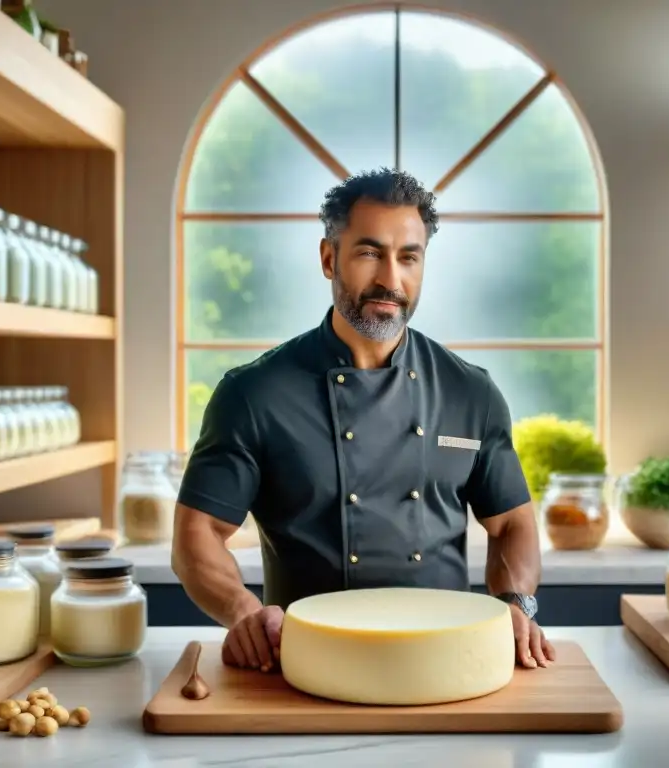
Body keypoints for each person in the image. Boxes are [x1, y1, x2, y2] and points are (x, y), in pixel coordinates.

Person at [172, 167, 554, 673]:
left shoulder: (471, 392)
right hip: (303, 663)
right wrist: (244, 612)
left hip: (445, 662)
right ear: (329, 258)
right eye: (370, 252)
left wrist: (516, 604)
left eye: (408, 258)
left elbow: (511, 524)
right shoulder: (252, 394)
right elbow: (196, 534)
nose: (390, 280)